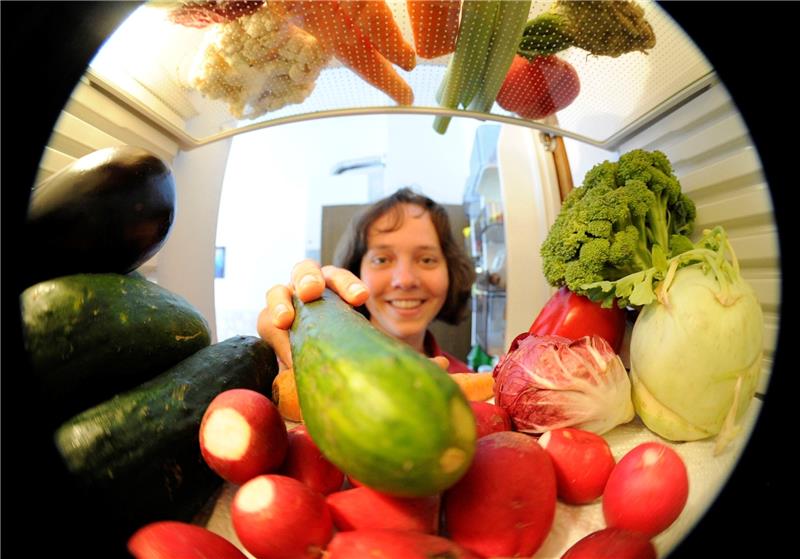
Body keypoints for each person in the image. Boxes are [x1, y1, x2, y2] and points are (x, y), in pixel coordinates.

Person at [257, 187, 477, 373]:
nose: (405, 280)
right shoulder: (314, 370)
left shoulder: (477, 386)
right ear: (356, 271)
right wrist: (297, 332)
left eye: (427, 259)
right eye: (382, 259)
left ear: (450, 271)